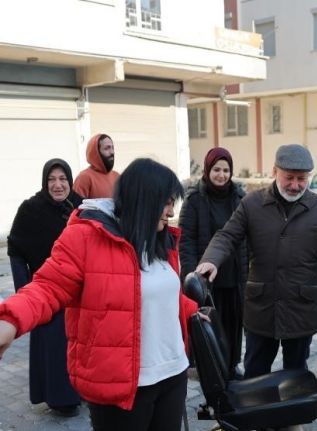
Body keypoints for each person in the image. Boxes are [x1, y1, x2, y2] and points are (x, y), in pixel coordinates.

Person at [0, 158, 199, 431]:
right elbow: (47, 287)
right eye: (166, 203)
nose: (170, 211)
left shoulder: (160, 239)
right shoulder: (85, 237)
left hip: (172, 374)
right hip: (121, 386)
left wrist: (190, 310)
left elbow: (159, 296)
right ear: (142, 201)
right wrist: (10, 320)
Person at [195, 144, 317, 379]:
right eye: (289, 178)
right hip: (261, 307)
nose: (295, 185)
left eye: (301, 179)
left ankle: (291, 415)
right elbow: (227, 235)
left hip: (300, 307)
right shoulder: (252, 204)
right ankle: (255, 415)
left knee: (296, 374)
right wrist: (211, 260)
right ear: (275, 171)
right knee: (255, 372)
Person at [7, 158, 83, 417]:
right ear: (44, 182)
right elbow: (16, 249)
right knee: (53, 348)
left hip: (78, 292)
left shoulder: (80, 207)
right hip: (46, 293)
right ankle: (60, 398)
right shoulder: (30, 209)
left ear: (70, 181)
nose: (58, 185)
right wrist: (23, 290)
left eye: (63, 179)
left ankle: (81, 392)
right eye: (52, 179)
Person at [179, 147, 248, 378]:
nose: (221, 175)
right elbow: (186, 240)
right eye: (216, 169)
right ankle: (210, 368)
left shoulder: (239, 197)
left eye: (226, 170)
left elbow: (247, 238)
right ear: (208, 170)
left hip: (234, 274)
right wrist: (191, 277)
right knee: (209, 325)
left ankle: (231, 364)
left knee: (233, 323)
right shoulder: (195, 198)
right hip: (205, 276)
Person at [73, 133, 119, 198]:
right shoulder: (84, 177)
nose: (112, 152)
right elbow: (77, 206)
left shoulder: (117, 176)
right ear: (96, 153)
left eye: (112, 148)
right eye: (107, 148)